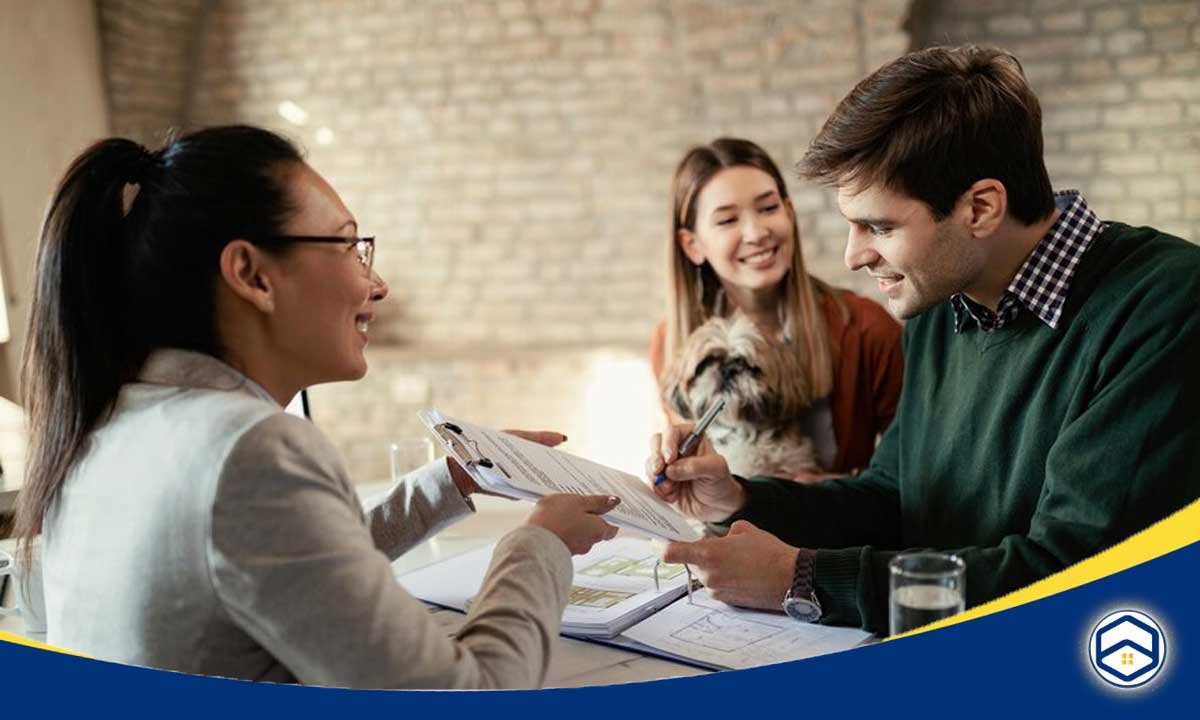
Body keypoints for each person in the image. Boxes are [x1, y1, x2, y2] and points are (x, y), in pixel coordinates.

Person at [12, 125, 621, 687]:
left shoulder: (115, 416)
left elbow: (286, 569)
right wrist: (541, 543)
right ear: (252, 274)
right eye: (349, 245)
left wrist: (452, 479)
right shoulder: (251, 447)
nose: (376, 284)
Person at [648, 46, 1200, 634]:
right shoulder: (943, 303)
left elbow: (1071, 571)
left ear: (981, 208)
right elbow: (896, 498)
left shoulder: (1166, 306)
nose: (853, 256)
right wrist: (738, 498)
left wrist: (803, 579)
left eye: (878, 227)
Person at [650, 138, 903, 477]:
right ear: (692, 245)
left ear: (790, 213)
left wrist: (813, 495)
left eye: (768, 208)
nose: (756, 233)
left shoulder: (867, 329)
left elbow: (913, 471)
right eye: (727, 220)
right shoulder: (671, 341)